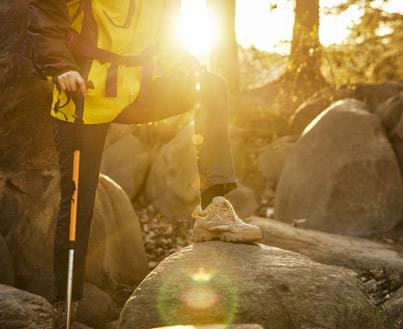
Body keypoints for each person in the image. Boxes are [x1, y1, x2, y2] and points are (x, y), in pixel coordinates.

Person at [28, 0, 262, 323]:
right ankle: (66, 302)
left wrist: (189, 69)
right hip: (83, 93)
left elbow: (168, 42)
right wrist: (60, 65)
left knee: (210, 86)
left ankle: (213, 208)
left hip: (136, 91)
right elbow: (47, 12)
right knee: (79, 198)